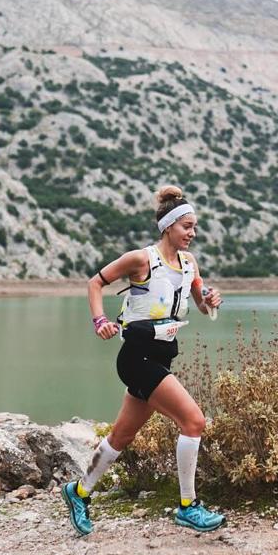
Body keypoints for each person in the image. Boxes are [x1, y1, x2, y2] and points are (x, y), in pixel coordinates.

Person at [61, 185, 225, 536]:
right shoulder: (140, 259)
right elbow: (94, 283)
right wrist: (100, 321)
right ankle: (187, 506)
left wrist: (211, 299)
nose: (192, 233)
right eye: (187, 227)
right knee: (194, 421)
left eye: (195, 227)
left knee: (121, 436)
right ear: (168, 226)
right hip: (137, 357)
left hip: (162, 356)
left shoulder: (189, 263)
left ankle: (78, 492)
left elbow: (200, 303)